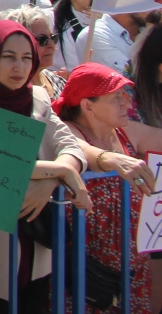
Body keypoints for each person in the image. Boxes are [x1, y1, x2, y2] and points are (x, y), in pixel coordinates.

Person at [0, 21, 90, 312]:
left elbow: (70, 147)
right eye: (8, 56)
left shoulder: (38, 98)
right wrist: (60, 172)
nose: (19, 67)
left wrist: (48, 181)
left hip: (36, 245)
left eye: (27, 58)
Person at [53, 64, 156, 311]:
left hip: (132, 271)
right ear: (88, 106)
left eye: (125, 94)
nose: (126, 103)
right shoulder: (66, 130)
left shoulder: (126, 132)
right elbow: (78, 148)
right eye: (115, 97)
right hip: (84, 274)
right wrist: (109, 158)